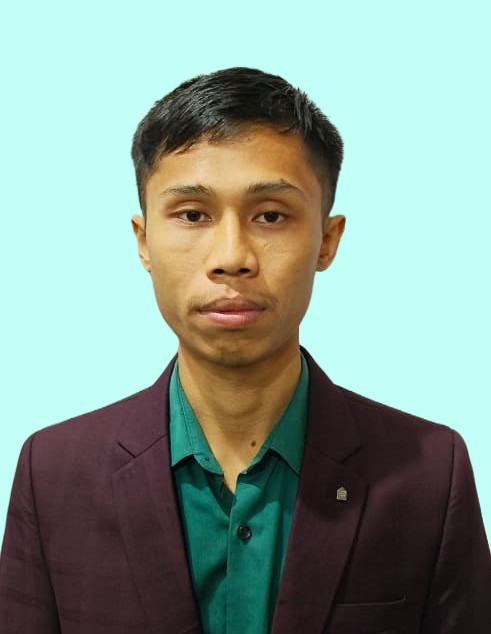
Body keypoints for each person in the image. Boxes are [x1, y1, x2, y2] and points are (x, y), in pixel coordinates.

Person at [0, 67, 489, 634]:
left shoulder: (429, 474)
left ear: (327, 240)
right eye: (192, 215)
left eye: (271, 216)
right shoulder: (53, 472)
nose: (232, 257)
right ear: (144, 241)